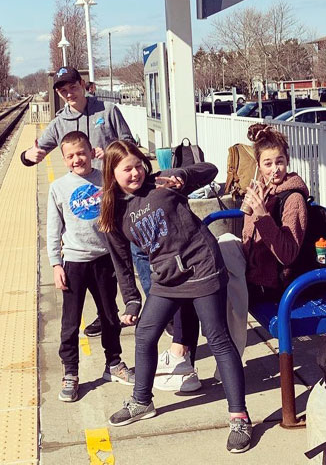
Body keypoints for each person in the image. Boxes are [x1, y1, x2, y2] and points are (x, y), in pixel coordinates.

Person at [99, 140, 252, 454]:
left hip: (202, 266)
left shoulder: (164, 182)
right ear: (112, 174)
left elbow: (210, 171)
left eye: (138, 164)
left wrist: (183, 173)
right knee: (145, 334)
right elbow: (122, 263)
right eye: (126, 169)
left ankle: (239, 415)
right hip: (167, 278)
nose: (135, 172)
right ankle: (142, 400)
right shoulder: (114, 211)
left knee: (217, 337)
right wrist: (131, 299)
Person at [21, 65, 138, 337]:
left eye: (72, 87)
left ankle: (143, 306)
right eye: (63, 91)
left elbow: (130, 144)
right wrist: (29, 155)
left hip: (114, 193)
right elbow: (33, 153)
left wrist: (108, 152)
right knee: (101, 262)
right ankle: (105, 315)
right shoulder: (60, 122)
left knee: (128, 253)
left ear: (82, 84)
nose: (69, 94)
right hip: (85, 202)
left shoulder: (107, 112)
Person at [46, 131, 135, 402]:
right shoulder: (58, 187)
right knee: (70, 321)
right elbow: (53, 228)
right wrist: (55, 264)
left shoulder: (105, 178)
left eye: (81, 153)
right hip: (74, 262)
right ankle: (70, 372)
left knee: (109, 315)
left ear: (91, 151)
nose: (77, 159)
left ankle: (114, 363)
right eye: (70, 156)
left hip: (104, 259)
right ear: (63, 159)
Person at [218, 123, 310, 359]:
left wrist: (262, 215)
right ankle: (218, 352)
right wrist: (254, 207)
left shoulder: (294, 199)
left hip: (275, 283)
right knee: (217, 250)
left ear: (287, 161)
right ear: (258, 166)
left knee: (224, 286)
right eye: (268, 164)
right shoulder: (266, 190)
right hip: (256, 271)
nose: (275, 170)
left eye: (279, 162)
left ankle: (229, 357)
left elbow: (288, 253)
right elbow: (249, 239)